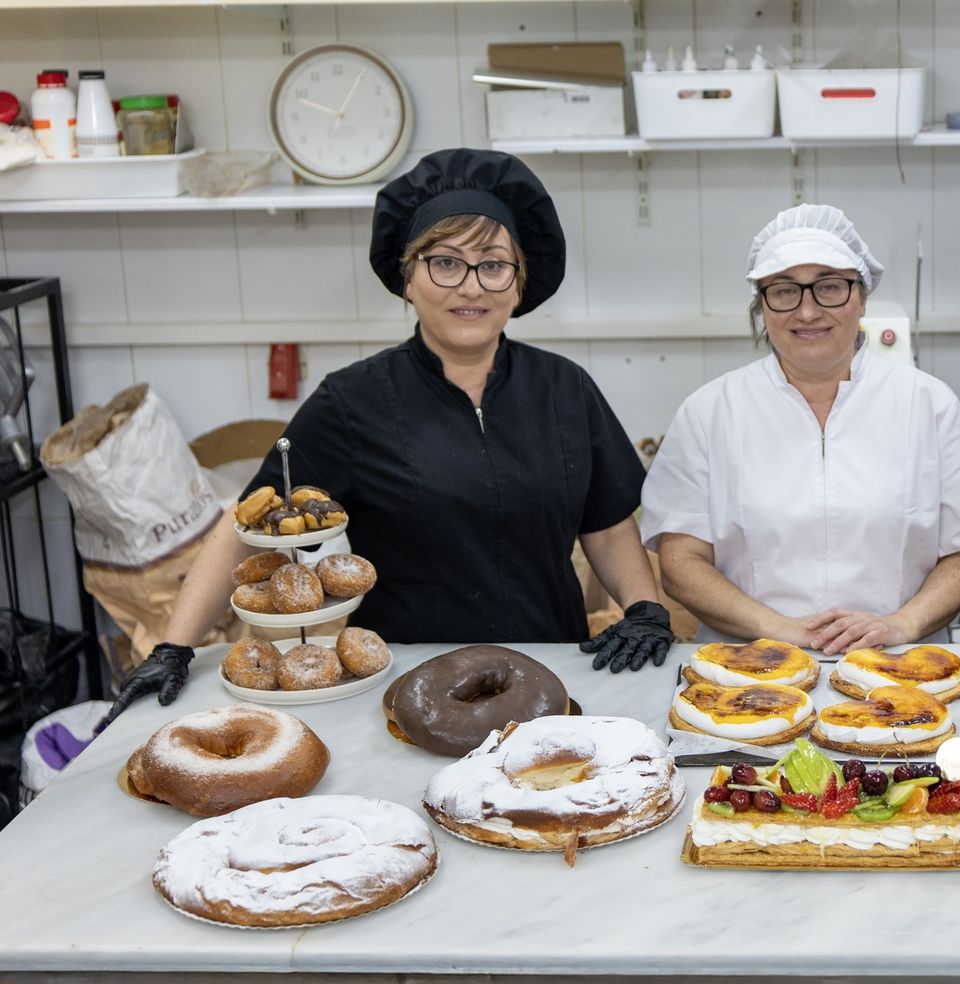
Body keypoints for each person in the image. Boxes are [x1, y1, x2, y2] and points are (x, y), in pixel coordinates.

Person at [104, 149, 673, 725]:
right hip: (410, 678)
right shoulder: (353, 402)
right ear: (407, 278)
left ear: (519, 284)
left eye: (494, 264)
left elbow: (605, 525)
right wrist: (172, 648)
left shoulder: (564, 389)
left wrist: (645, 608)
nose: (470, 286)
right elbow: (248, 528)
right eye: (445, 263)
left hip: (550, 669)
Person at [640, 203, 960, 656]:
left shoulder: (928, 405)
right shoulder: (710, 412)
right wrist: (783, 630)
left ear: (862, 297)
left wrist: (898, 625)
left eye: (829, 287)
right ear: (762, 305)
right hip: (750, 667)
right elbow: (680, 562)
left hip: (900, 669)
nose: (808, 311)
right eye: (784, 290)